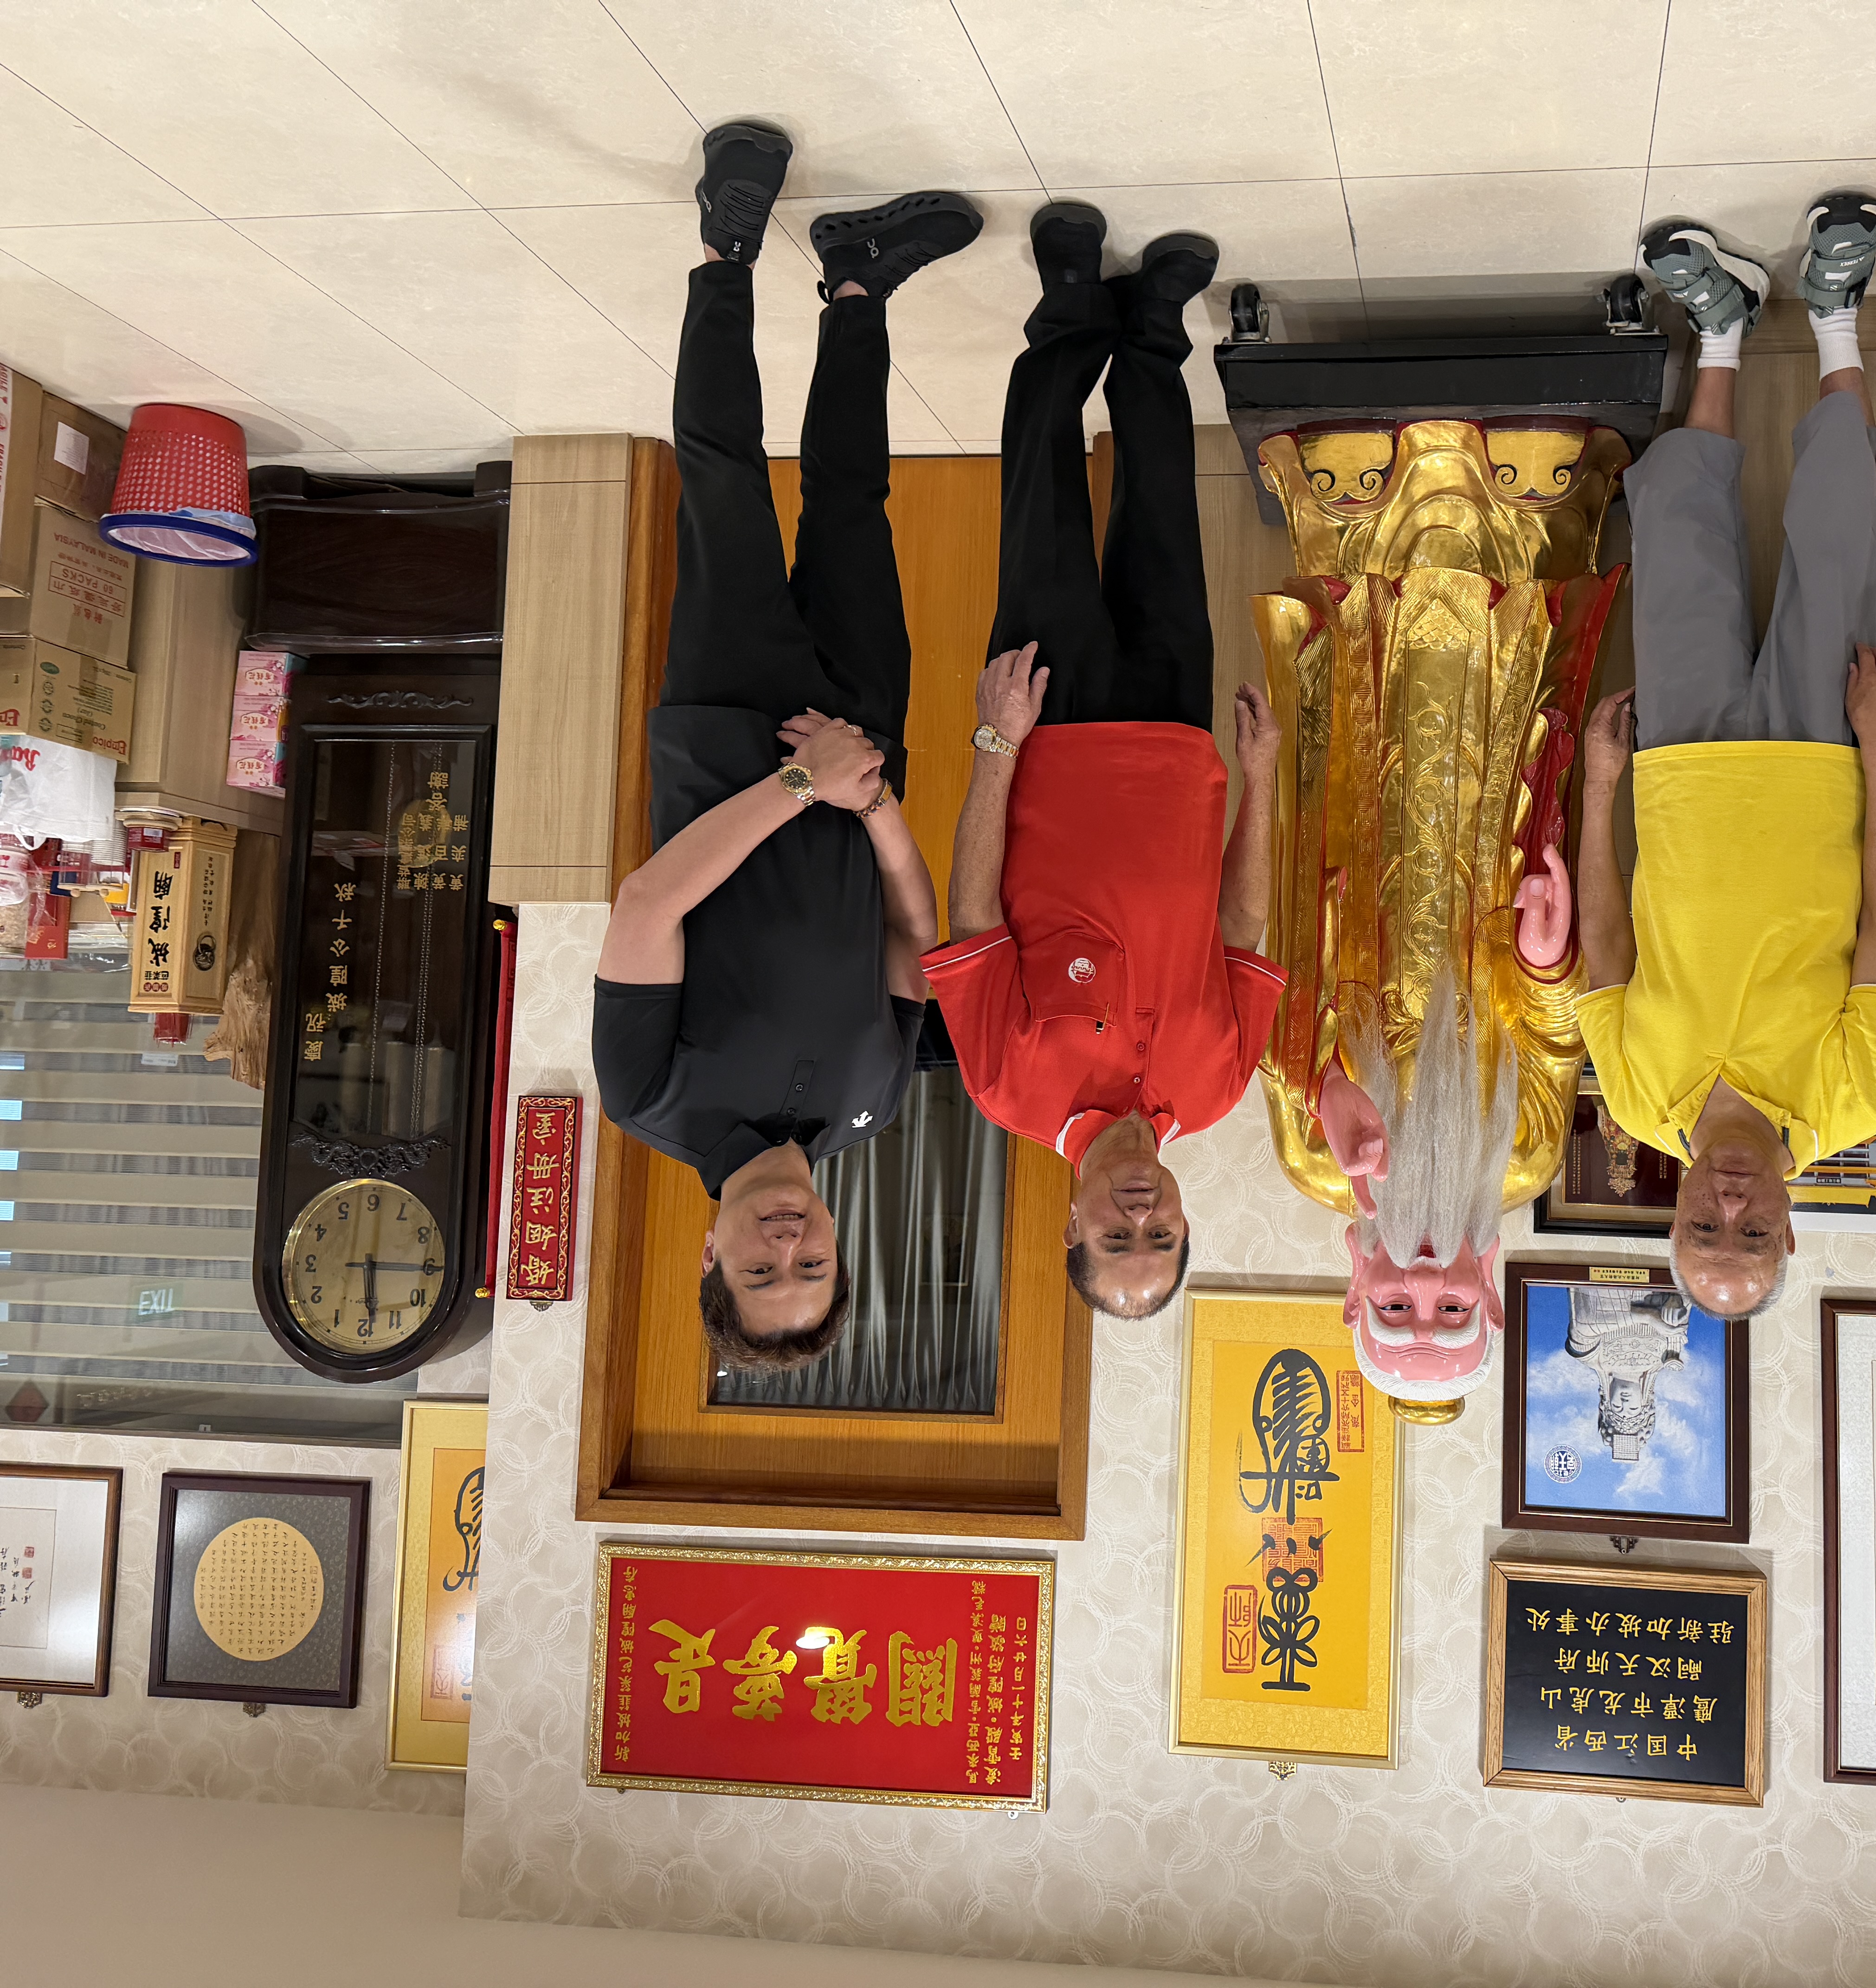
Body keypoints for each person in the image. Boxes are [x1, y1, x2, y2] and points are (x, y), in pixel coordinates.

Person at [592, 122, 975, 1373]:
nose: (786, 1247)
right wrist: (871, 804)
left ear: (709, 1258)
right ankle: (858, 280)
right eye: (811, 1269)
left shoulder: (649, 1099)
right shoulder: (873, 1106)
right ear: (839, 1249)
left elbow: (650, 905)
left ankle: (726, 249)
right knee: (855, 507)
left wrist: (796, 782)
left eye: (760, 1272)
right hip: (860, 757)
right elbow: (913, 938)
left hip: (732, 738)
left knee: (725, 484)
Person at [923, 202, 1286, 1324]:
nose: (1139, 1217)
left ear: (1071, 1227)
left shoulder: (1005, 1089)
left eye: (1115, 1239)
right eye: (1159, 1237)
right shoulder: (1218, 1088)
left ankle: (1071, 307)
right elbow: (1243, 929)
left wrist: (998, 743)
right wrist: (1261, 778)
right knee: (1162, 518)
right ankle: (1153, 332)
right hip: (1177, 755)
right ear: (1184, 1220)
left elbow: (971, 911)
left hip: (1051, 736)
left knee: (1043, 508)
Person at [1576, 196, 1876, 1322]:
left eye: (1704, 1227)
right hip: (1825, 763)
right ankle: (1834, 315)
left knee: (1678, 537)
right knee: (1837, 539)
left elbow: (1605, 945)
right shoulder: (1856, 1101)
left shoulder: (1636, 1100)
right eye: (1755, 1231)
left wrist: (1601, 787)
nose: (1730, 1205)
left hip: (1681, 777)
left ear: (1672, 1210)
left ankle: (1720, 330)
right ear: (1792, 1223)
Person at [1249, 417, 1626, 1419]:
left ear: (1355, 1291)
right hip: (1484, 885)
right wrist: (1545, 962)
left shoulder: (1317, 1167)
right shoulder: (1523, 1161)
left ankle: (1351, 516)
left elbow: (1276, 1009)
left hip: (1359, 869)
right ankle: (1529, 509)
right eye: (1449, 1311)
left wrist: (1325, 1081)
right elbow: (1555, 1042)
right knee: (1501, 694)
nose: (1422, 1283)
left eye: (1397, 1311)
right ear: (1489, 1292)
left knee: (1364, 690)